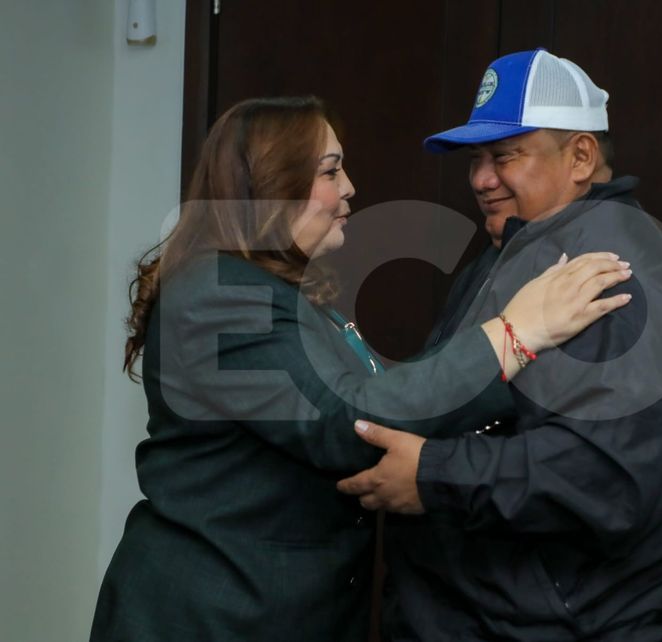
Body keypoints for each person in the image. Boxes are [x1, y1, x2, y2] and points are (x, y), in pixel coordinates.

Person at [89, 95, 632, 641]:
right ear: (274, 181)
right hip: (210, 618)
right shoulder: (217, 291)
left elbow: (383, 394)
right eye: (330, 170)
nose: (349, 187)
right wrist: (515, 334)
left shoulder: (286, 293)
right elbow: (350, 422)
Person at [338, 49, 662, 640]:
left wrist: (433, 475)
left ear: (581, 156)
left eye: (505, 156)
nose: (482, 178)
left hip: (572, 625)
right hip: (485, 614)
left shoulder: (615, 271)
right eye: (477, 159)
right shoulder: (516, 246)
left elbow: (603, 478)